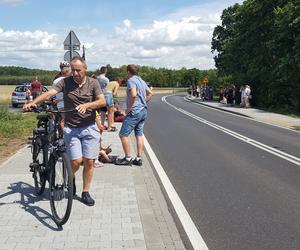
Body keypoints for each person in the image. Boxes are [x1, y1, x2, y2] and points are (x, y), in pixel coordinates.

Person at [23, 56, 106, 206]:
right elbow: (50, 93)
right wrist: (33, 102)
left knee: (89, 162)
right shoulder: (65, 82)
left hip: (89, 127)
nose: (74, 73)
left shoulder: (93, 83)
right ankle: (70, 177)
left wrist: (87, 106)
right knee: (75, 161)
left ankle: (85, 192)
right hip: (71, 128)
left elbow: (102, 101)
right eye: (72, 70)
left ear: (85, 69)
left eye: (78, 70)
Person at [115, 64, 152, 166]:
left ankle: (127, 158)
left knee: (123, 134)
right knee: (139, 134)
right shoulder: (141, 80)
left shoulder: (131, 81)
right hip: (143, 110)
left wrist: (128, 109)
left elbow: (134, 95)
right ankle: (139, 158)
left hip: (134, 111)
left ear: (128, 72)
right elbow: (150, 93)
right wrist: (143, 102)